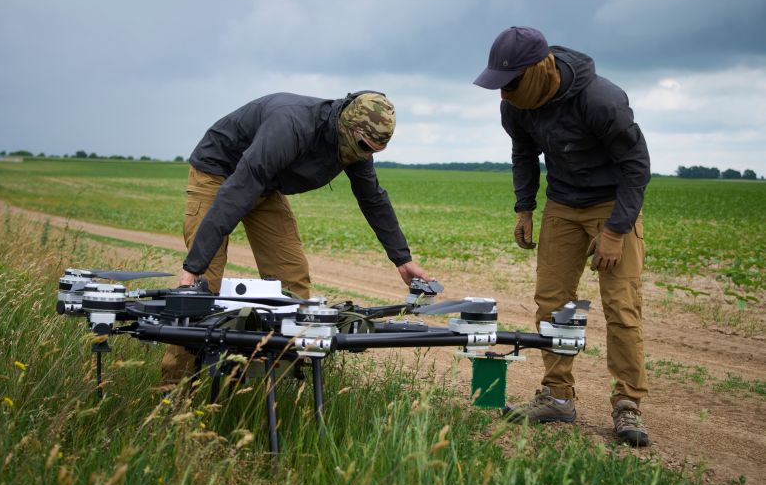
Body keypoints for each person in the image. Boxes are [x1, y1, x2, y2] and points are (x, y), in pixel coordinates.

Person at [162, 91, 432, 385]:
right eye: (364, 147)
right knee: (201, 289)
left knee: (292, 282)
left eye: (374, 151)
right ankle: (171, 395)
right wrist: (194, 266)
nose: (366, 156)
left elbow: (373, 199)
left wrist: (402, 259)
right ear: (347, 126)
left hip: (266, 184)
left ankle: (275, 382)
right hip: (220, 174)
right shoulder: (291, 125)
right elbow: (239, 188)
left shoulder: (356, 145)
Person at [473, 27, 651, 446]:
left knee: (621, 307)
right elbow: (523, 153)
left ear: (539, 69)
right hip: (563, 206)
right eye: (500, 85)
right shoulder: (516, 108)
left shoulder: (600, 99)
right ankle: (557, 396)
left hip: (612, 204)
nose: (504, 94)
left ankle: (628, 406)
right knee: (552, 302)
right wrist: (524, 206)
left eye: (511, 83)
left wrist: (615, 230)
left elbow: (636, 166)